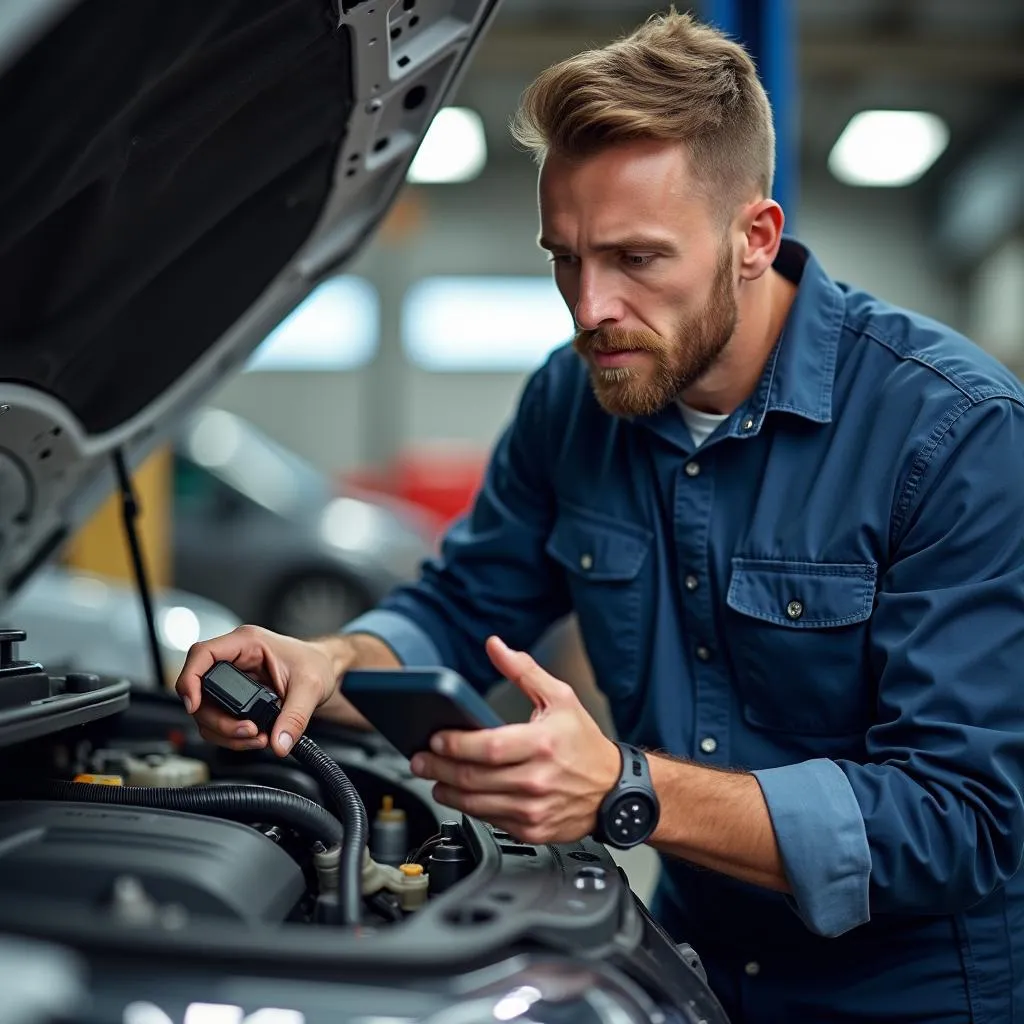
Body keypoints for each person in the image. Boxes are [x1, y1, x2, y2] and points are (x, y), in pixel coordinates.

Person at [176, 10, 1024, 1022]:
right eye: (565, 259)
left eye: (634, 259)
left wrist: (628, 788)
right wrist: (327, 663)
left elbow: (964, 817)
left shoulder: (955, 432)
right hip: (693, 964)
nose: (587, 308)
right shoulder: (569, 400)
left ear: (753, 238)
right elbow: (460, 603)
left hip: (917, 996)